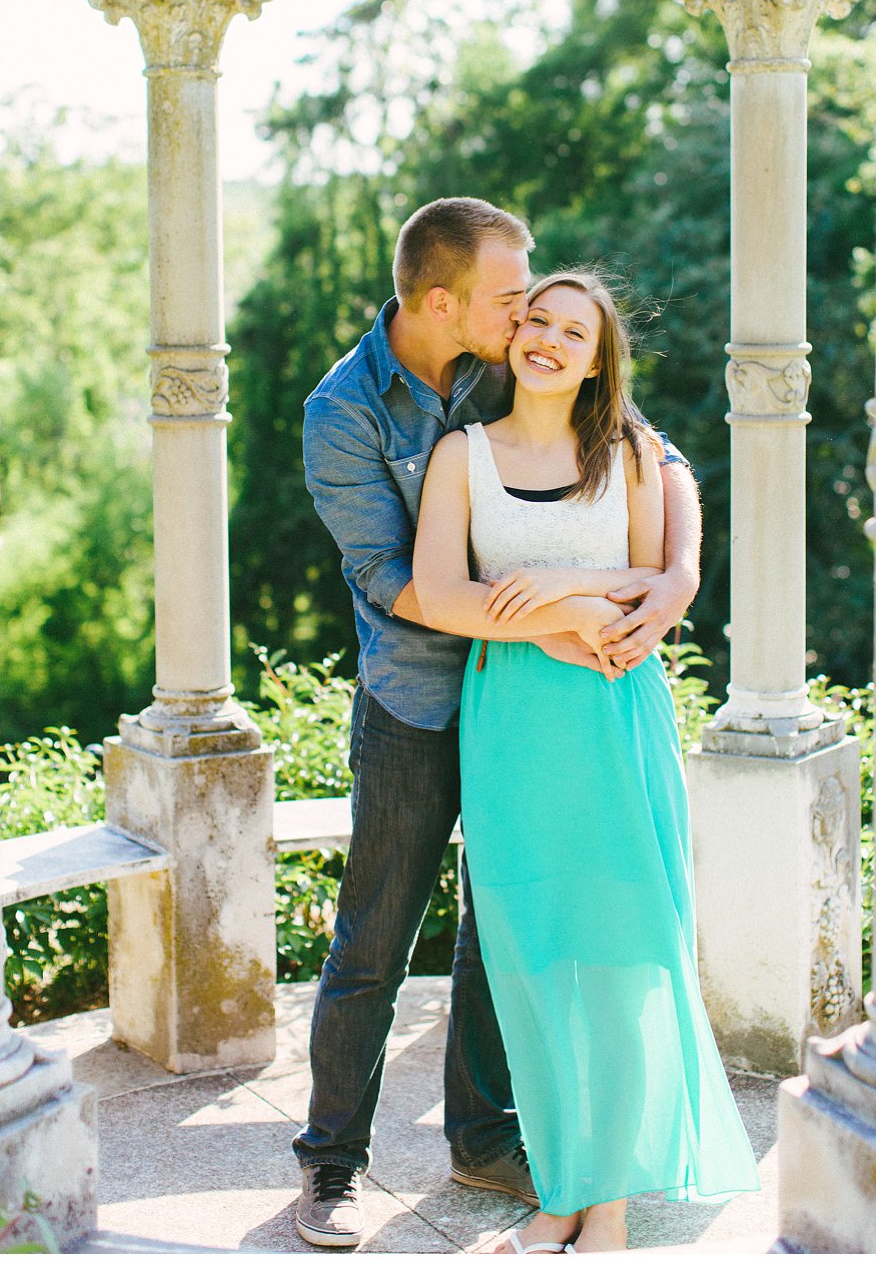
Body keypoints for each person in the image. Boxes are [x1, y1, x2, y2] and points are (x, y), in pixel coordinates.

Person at [293, 200, 704, 1248]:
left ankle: (487, 1136)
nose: (528, 316)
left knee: (505, 928)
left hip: (542, 712)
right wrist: (563, 617)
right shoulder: (340, 412)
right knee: (374, 938)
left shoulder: (502, 361)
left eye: (536, 305)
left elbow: (648, 453)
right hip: (418, 699)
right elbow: (397, 582)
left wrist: (673, 574)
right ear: (443, 303)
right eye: (510, 297)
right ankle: (332, 1166)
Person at [411, 272, 758, 1251]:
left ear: (598, 357)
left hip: (610, 721)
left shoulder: (632, 453)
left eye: (574, 331)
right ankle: (561, 1184)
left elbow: (644, 604)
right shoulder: (459, 457)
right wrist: (561, 615)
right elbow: (439, 594)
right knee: (533, 958)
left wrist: (559, 588)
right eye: (537, 320)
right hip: (512, 726)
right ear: (511, 332)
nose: (550, 340)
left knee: (621, 955)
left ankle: (599, 1203)